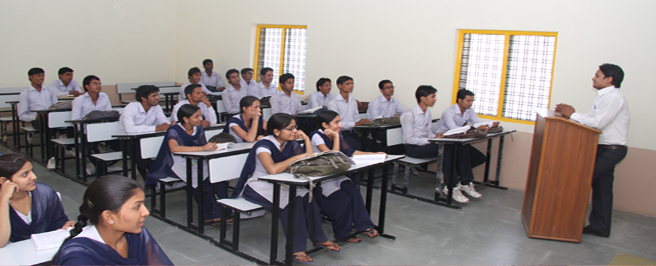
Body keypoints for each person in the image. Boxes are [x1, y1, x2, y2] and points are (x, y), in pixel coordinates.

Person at [232, 113, 341, 264]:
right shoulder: (264, 145)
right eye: (290, 129)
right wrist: (296, 158)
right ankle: (296, 249)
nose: (295, 131)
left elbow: (308, 157)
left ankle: (319, 238)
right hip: (258, 186)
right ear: (277, 131)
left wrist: (306, 139)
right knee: (291, 205)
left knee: (307, 198)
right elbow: (272, 169)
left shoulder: (290, 142)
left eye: (295, 127)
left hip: (279, 182)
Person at [555, 63, 629, 238]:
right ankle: (599, 227)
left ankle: (568, 224)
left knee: (580, 181)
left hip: (612, 150)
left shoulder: (613, 97)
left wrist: (572, 114)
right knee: (602, 190)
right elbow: (591, 119)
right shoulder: (602, 96)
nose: (593, 78)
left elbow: (598, 124)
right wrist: (570, 114)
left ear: (609, 79)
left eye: (597, 75)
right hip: (603, 148)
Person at [53, 175, 172, 265]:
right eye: (137, 207)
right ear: (109, 217)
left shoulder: (136, 235)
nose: (146, 212)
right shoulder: (78, 258)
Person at [146, 104, 226, 225]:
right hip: (175, 162)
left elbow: (202, 145)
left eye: (200, 116)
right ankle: (209, 214)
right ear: (185, 119)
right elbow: (174, 148)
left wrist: (210, 147)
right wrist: (200, 149)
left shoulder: (198, 128)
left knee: (213, 178)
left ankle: (212, 213)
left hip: (193, 159)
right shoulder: (174, 130)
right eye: (196, 117)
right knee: (200, 182)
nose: (200, 119)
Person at [310, 110, 381, 243]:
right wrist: (336, 137)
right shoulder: (316, 136)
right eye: (336, 122)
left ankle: (364, 225)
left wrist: (374, 154)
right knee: (342, 199)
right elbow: (333, 156)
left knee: (353, 191)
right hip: (322, 178)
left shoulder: (337, 134)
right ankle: (343, 233)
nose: (340, 125)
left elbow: (350, 151)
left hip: (336, 174)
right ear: (325, 125)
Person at [0, 154, 75, 248]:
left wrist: (66, 225)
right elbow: (1, 242)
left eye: (32, 171)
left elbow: (58, 221)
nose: (34, 177)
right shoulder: (3, 201)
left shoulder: (45, 192)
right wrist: (4, 201)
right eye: (24, 174)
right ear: (4, 181)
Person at [433, 89, 492, 203]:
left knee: (479, 157)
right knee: (460, 152)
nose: (471, 103)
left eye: (472, 101)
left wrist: (488, 124)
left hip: (457, 141)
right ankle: (456, 184)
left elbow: (477, 123)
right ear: (460, 100)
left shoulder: (469, 111)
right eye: (468, 100)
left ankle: (463, 181)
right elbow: (454, 130)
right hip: (444, 141)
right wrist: (473, 129)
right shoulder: (449, 112)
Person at [118, 85, 171, 179]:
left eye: (157, 95)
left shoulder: (156, 107)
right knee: (141, 159)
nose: (157, 98)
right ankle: (147, 178)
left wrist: (167, 125)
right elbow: (130, 130)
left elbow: (163, 120)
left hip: (147, 138)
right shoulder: (131, 108)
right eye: (154, 96)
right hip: (128, 140)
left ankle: (157, 174)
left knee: (166, 147)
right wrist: (155, 128)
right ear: (143, 98)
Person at [71, 75, 120, 175]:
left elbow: (109, 113)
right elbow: (75, 120)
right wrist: (83, 131)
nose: (98, 86)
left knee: (120, 146)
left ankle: (105, 165)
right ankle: (100, 168)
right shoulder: (79, 100)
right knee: (91, 148)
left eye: (99, 83)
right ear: (87, 86)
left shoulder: (104, 96)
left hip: (103, 128)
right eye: (95, 83)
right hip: (87, 130)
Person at [327, 75, 370, 150]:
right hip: (341, 133)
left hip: (354, 132)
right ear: (340, 86)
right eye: (348, 84)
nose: (351, 86)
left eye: (352, 84)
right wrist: (356, 123)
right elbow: (335, 124)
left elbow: (356, 117)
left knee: (373, 145)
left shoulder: (352, 101)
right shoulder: (333, 103)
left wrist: (362, 122)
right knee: (358, 147)